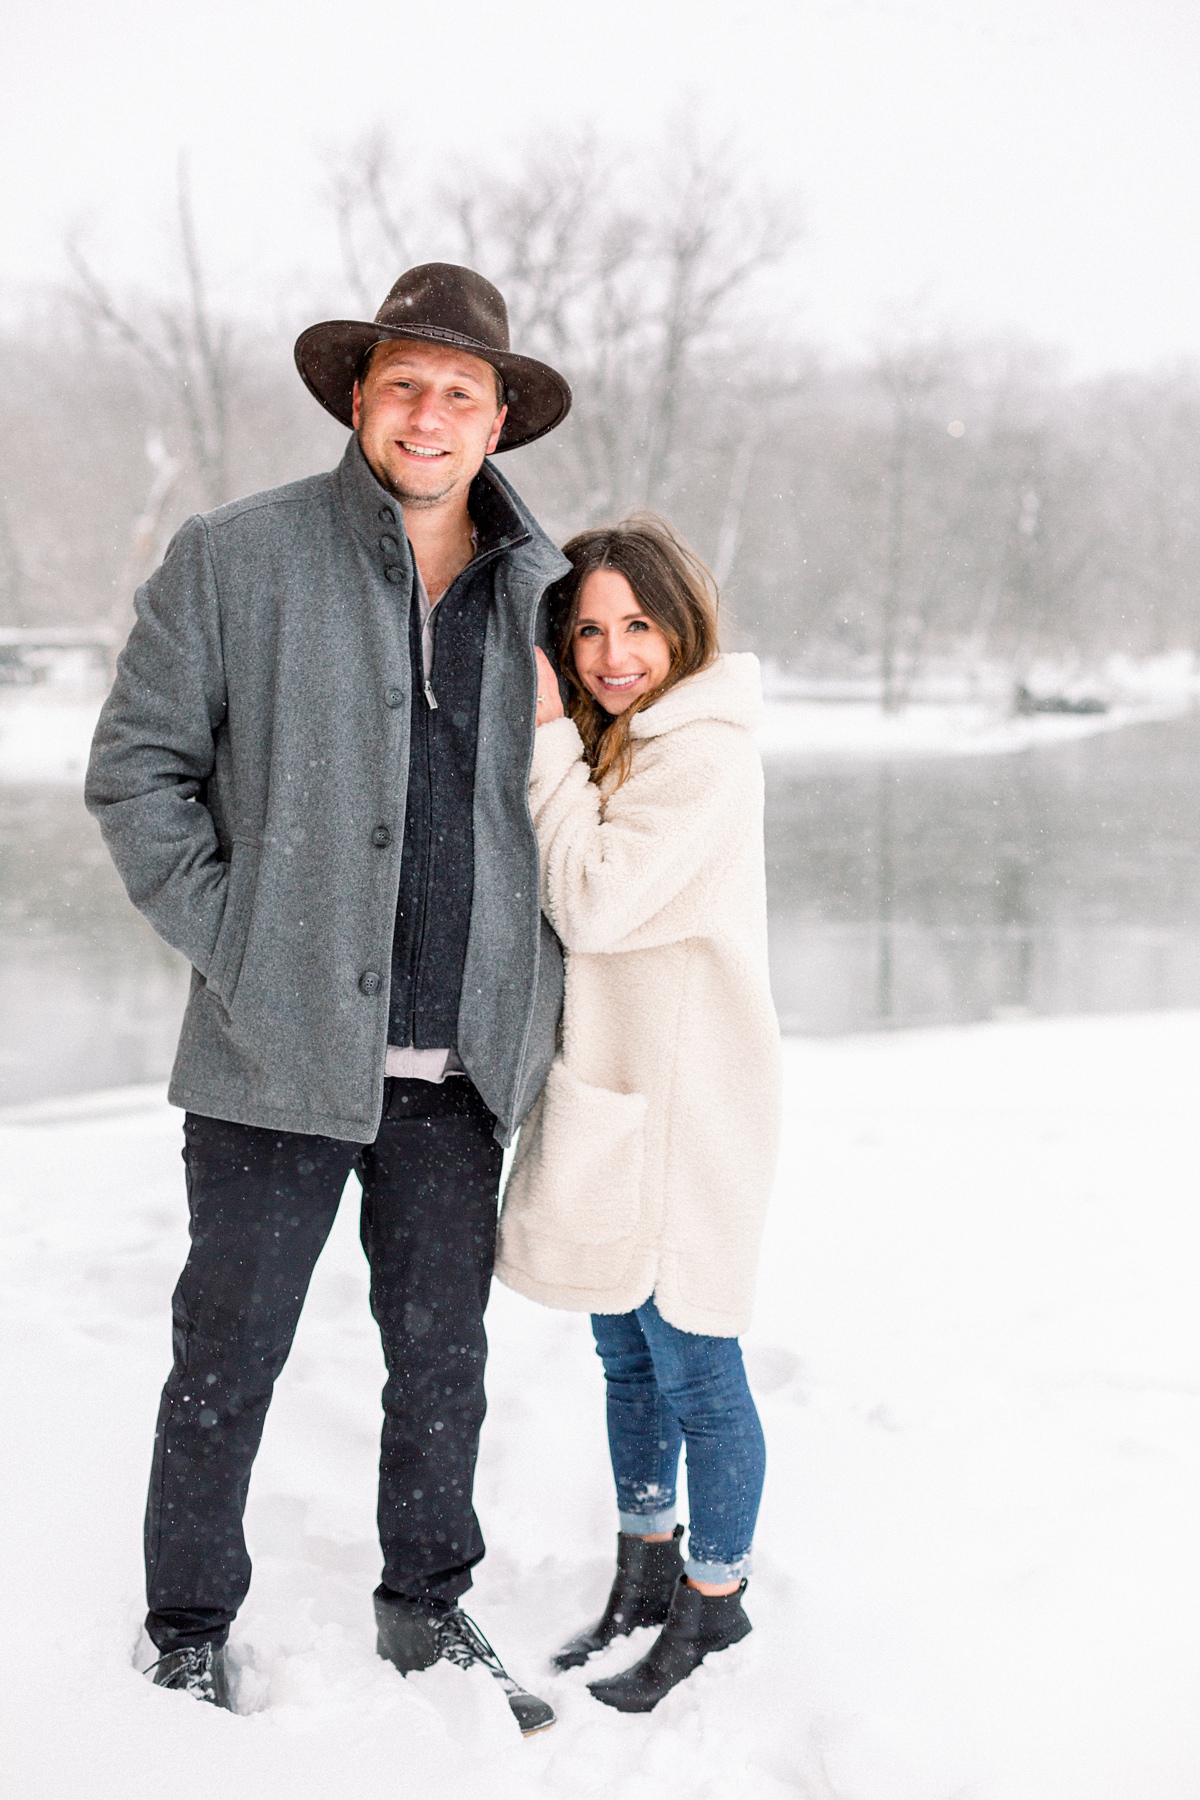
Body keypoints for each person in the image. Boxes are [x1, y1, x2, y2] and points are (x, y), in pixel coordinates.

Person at [85, 263, 573, 1733]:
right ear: (359, 398)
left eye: (460, 393)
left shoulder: (553, 594)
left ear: (498, 422)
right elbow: (137, 773)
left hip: (463, 1060)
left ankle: (427, 1603)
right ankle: (186, 1625)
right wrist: (243, 944)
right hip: (268, 1050)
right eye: (405, 384)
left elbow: (595, 808)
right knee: (226, 1352)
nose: (430, 414)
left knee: (443, 1357)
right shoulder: (237, 559)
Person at [496, 515, 782, 1713]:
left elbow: (600, 908)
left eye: (638, 626)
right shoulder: (635, 743)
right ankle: (644, 1566)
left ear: (682, 627)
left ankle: (715, 1603)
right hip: (619, 1092)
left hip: (686, 1103)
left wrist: (551, 748)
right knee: (623, 1351)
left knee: (695, 1364)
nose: (614, 654)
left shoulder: (700, 754)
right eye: (590, 631)